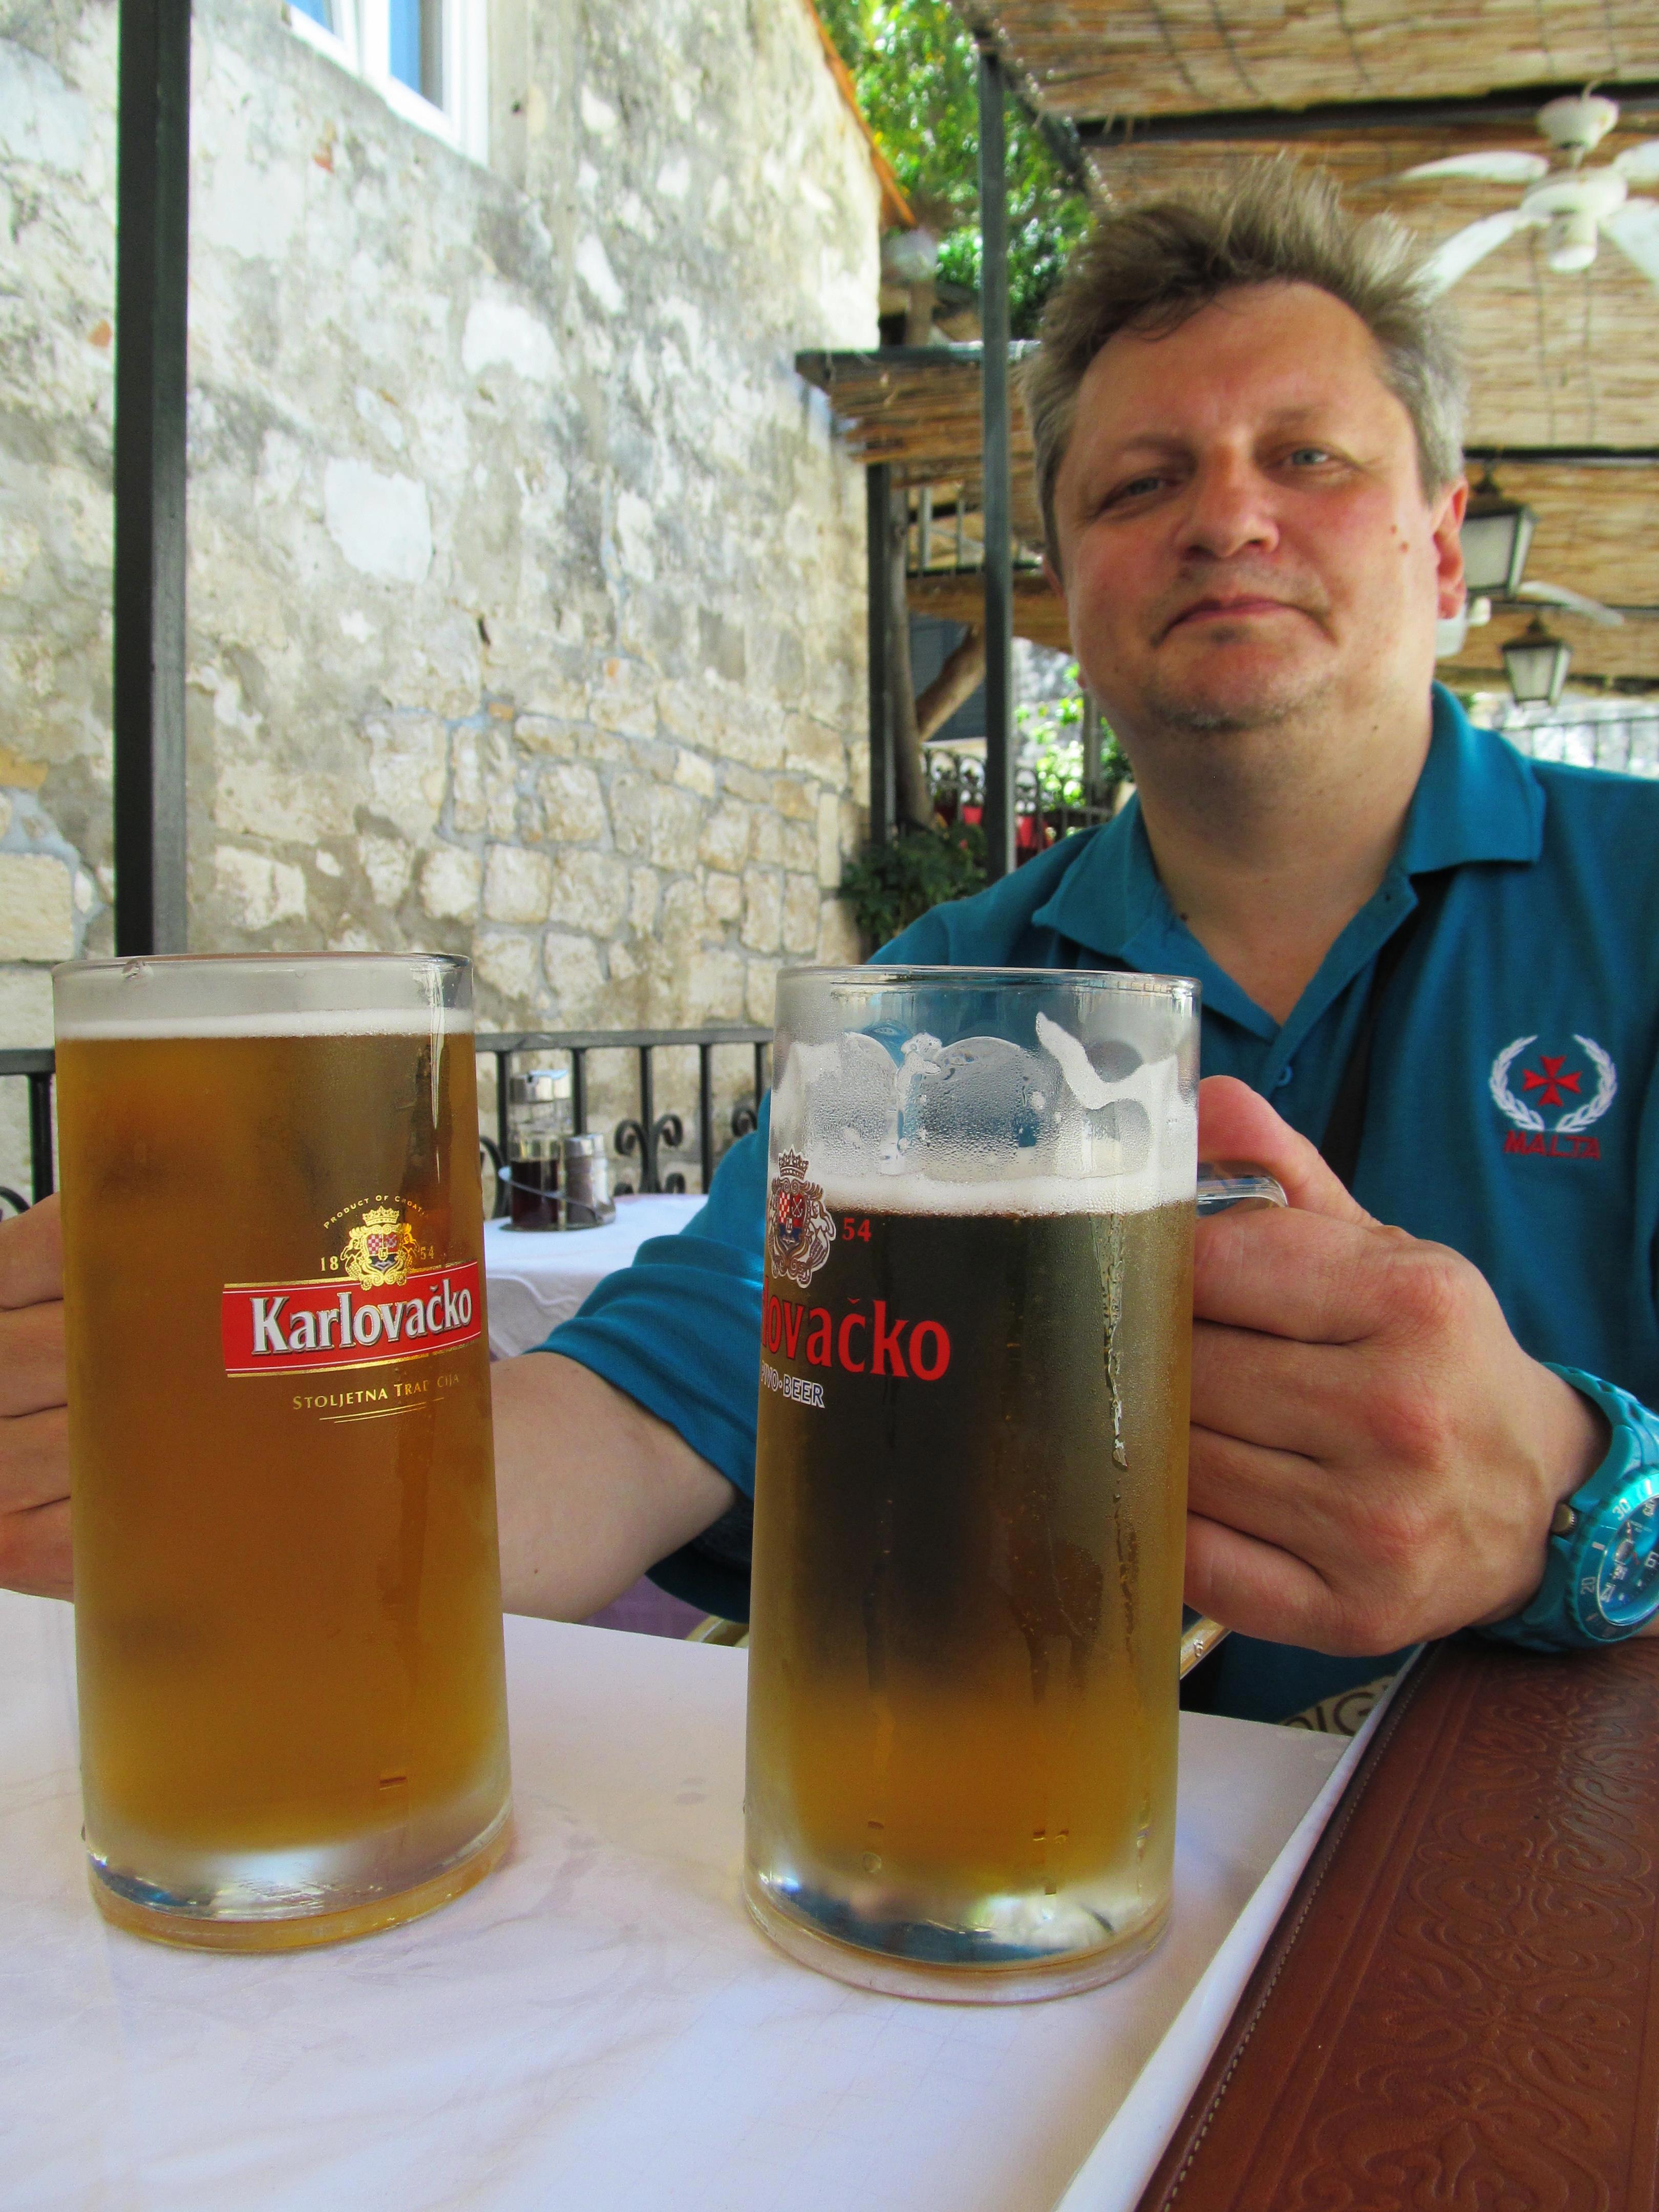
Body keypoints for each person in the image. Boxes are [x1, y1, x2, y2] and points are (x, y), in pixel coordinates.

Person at [5, 163, 1657, 1719]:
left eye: (1308, 458)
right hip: (1037, 1858)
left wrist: (1587, 1497)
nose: (1227, 518)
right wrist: (240, 1501)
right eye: (1141, 483)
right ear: (1067, 587)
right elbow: (652, 1402)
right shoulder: (938, 994)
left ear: (1443, 544)